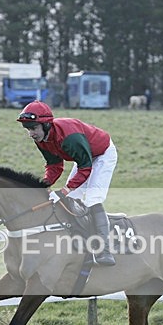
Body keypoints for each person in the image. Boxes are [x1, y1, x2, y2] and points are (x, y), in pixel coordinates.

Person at [16, 100, 117, 266]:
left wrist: (64, 190)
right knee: (73, 199)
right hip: (84, 158)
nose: (31, 134)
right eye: (27, 129)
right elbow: (54, 165)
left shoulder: (70, 138)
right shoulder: (41, 139)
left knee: (92, 199)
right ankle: (81, 243)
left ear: (46, 125)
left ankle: (104, 251)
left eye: (33, 128)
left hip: (102, 154)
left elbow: (85, 168)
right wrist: (43, 185)